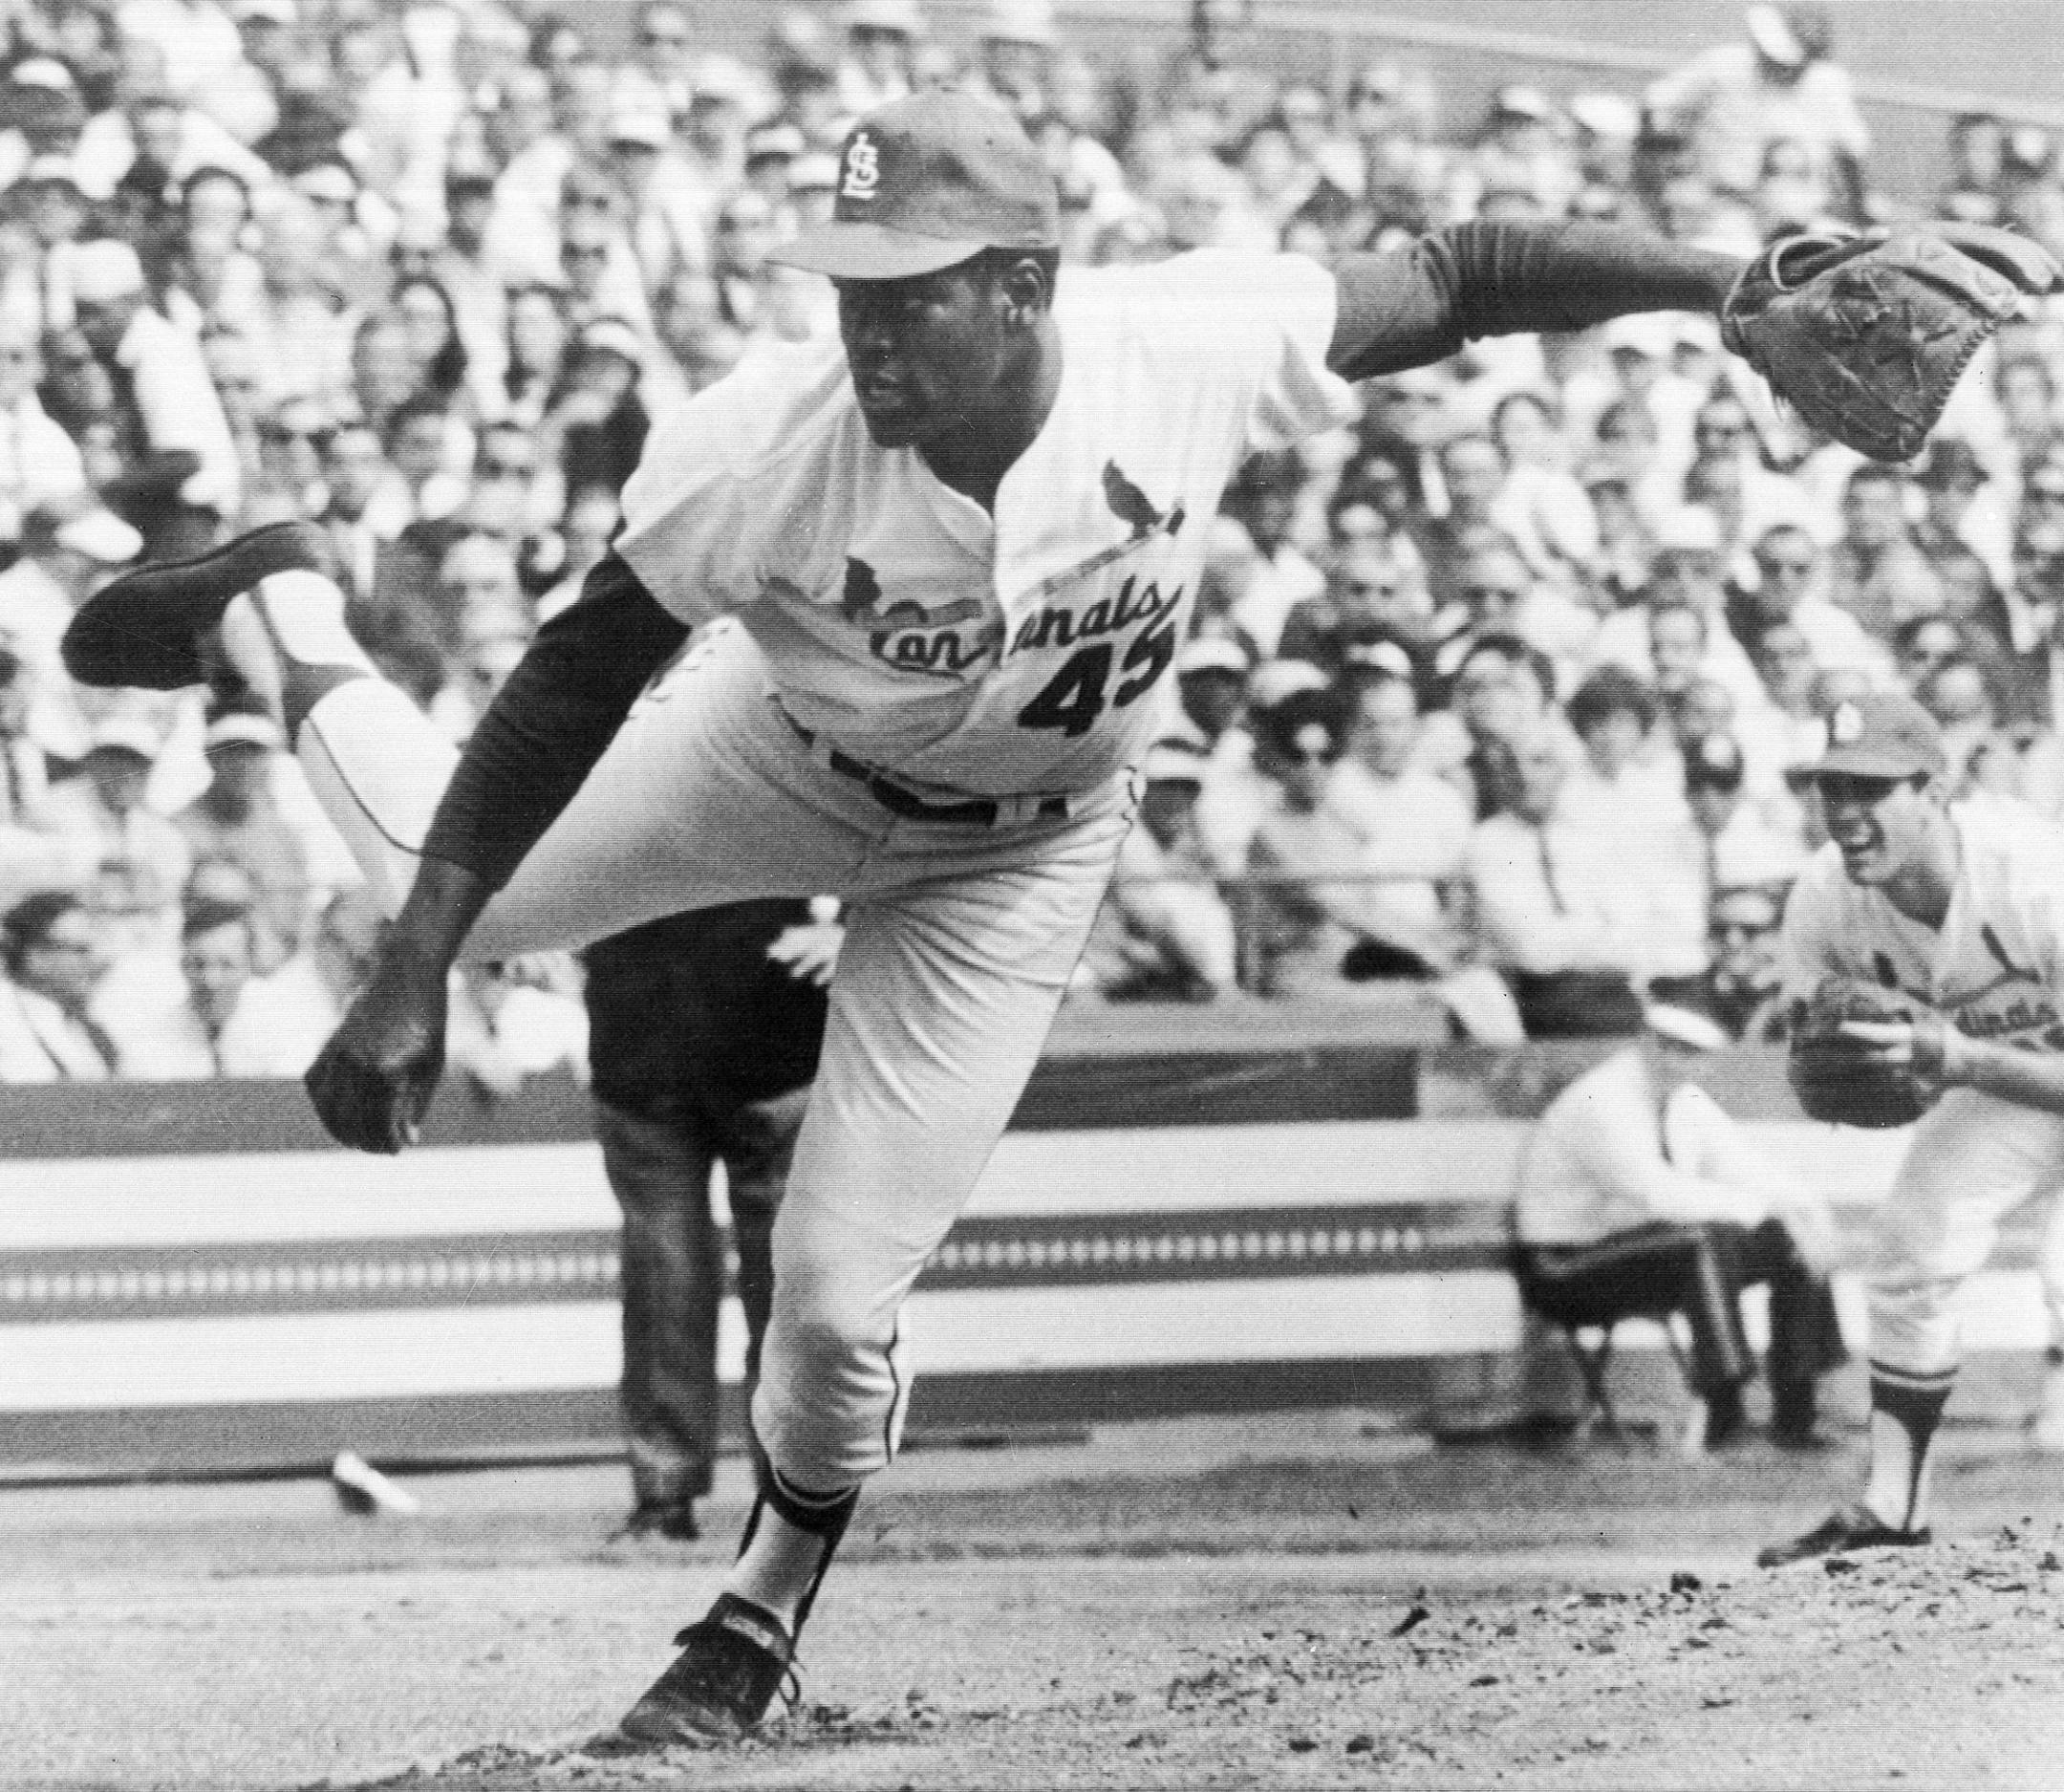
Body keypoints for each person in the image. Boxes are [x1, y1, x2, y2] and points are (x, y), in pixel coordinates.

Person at [64, 90, 1888, 1743]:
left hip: (1019, 853)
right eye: (848, 286)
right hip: (770, 757)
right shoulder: (762, 439)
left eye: (911, 290)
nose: (866, 327)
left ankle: (753, 1630)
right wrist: (409, 976)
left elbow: (1469, 268)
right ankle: (286, 605)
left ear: (1026, 285)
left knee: (841, 1304)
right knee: (427, 892)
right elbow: (561, 685)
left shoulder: (1180, 342)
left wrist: (1727, 286)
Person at [1759, 693, 2064, 1565]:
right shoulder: (1825, 897)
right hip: (2021, 1069)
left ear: (1935, 791)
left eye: (1874, 789)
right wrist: (1842, 1066)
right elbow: (1815, 1050)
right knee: (1912, 1245)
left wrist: (1961, 1062)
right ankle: (1894, 1509)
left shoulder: (2036, 871)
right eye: (1833, 790)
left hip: (2013, 1063)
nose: (1848, 816)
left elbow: (1968, 1060)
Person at [586, 895, 835, 1541]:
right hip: (737, 1030)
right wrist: (852, 929)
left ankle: (672, 1494)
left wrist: (851, 931)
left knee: (677, 1282)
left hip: (686, 1030)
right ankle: (787, 1501)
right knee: (758, 1287)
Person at [1514, 997, 1845, 1449]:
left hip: (1642, 1256)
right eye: (1670, 1047)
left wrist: (1808, 1213)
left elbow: (1747, 1166)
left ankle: (1796, 1417)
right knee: (1701, 1239)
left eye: (1693, 1053)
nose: (1680, 1061)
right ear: (1646, 1041)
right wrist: (1766, 1210)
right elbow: (1658, 1195)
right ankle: (1725, 1415)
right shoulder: (1602, 1098)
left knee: (1788, 1241)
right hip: (1561, 1266)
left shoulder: (1683, 1097)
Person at [0, 890, 118, 1081]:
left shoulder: (88, 1028)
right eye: (82, 950)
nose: (100, 962)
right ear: (35, 955)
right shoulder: (6, 1020)